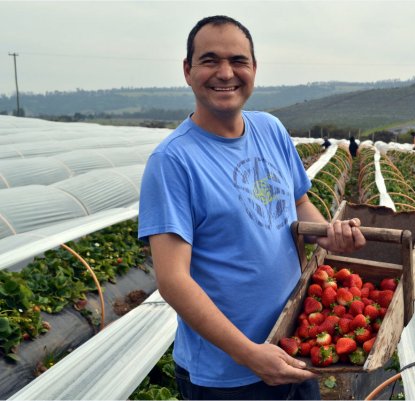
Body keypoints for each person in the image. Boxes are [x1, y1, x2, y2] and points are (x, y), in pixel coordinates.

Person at [138, 15, 366, 401]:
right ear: (187, 71)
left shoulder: (271, 129)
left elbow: (297, 203)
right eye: (209, 60)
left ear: (254, 69)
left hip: (294, 342)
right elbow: (173, 280)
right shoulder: (173, 162)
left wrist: (329, 234)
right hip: (229, 375)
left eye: (238, 61)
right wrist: (250, 355)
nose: (225, 73)